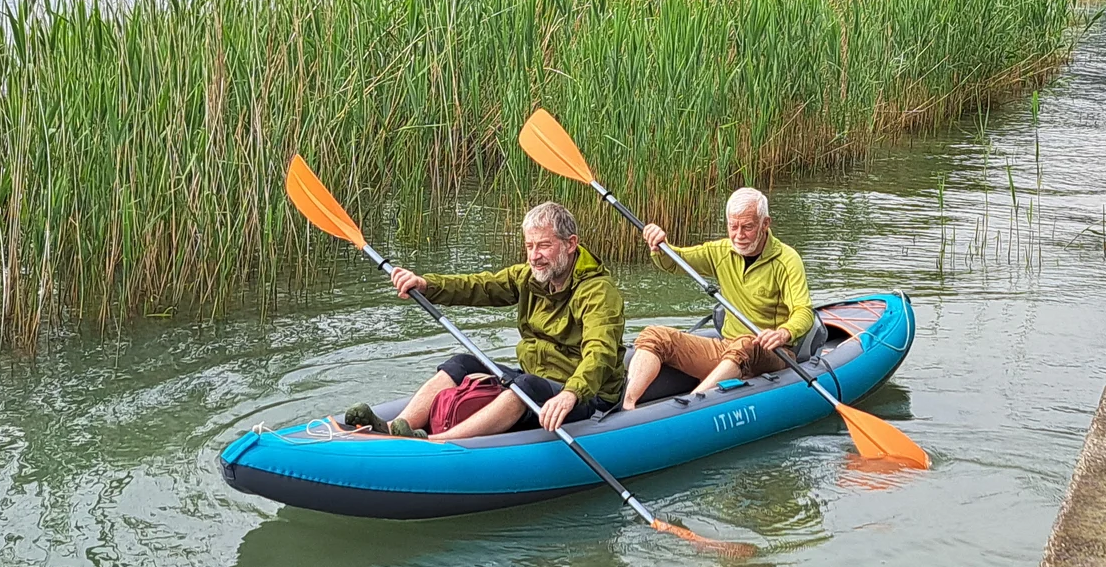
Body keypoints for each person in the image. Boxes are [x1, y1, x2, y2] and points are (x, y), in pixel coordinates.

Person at [346, 201, 624, 438]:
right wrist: (426, 285)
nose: (534, 256)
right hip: (539, 380)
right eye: (529, 246)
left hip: (586, 395)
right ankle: (393, 428)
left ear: (571, 244)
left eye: (544, 245)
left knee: (524, 385)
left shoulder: (598, 291)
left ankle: (439, 442)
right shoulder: (529, 277)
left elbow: (600, 352)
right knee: (462, 363)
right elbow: (479, 286)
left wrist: (572, 392)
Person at [619, 187, 814, 410]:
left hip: (773, 354)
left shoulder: (787, 260)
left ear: (765, 224)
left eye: (748, 227)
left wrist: (783, 332)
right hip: (728, 347)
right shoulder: (720, 251)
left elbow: (803, 311)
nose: (739, 235)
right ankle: (628, 405)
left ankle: (688, 406)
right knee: (654, 335)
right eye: (733, 226)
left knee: (746, 343)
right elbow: (675, 261)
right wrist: (659, 245)